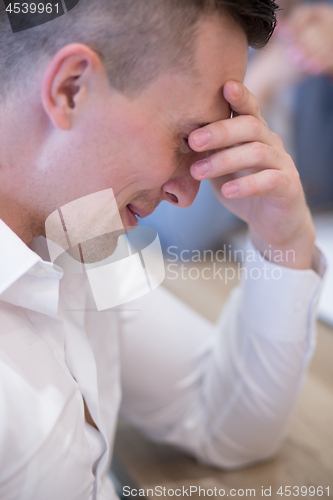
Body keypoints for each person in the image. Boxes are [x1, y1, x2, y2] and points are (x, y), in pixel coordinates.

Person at [0, 1, 325, 499]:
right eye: (184, 138)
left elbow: (224, 423)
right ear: (70, 89)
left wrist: (281, 241)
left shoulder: (81, 239)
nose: (189, 192)